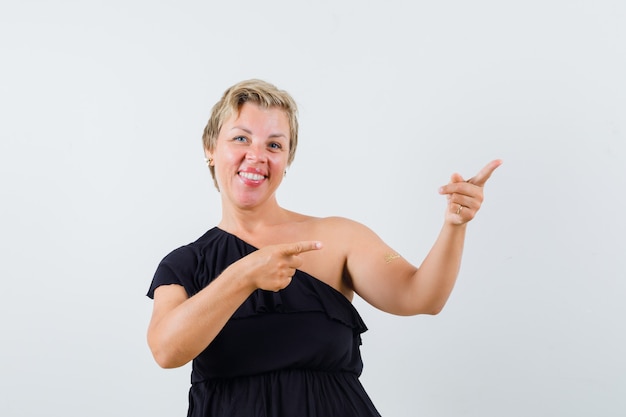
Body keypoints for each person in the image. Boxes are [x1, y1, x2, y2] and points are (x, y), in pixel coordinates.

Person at [146, 79, 502, 417]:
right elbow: (166, 350)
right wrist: (243, 275)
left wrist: (454, 227)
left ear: (287, 160)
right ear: (210, 149)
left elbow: (421, 297)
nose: (256, 156)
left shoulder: (338, 237)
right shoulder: (186, 263)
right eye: (241, 138)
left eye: (274, 145)